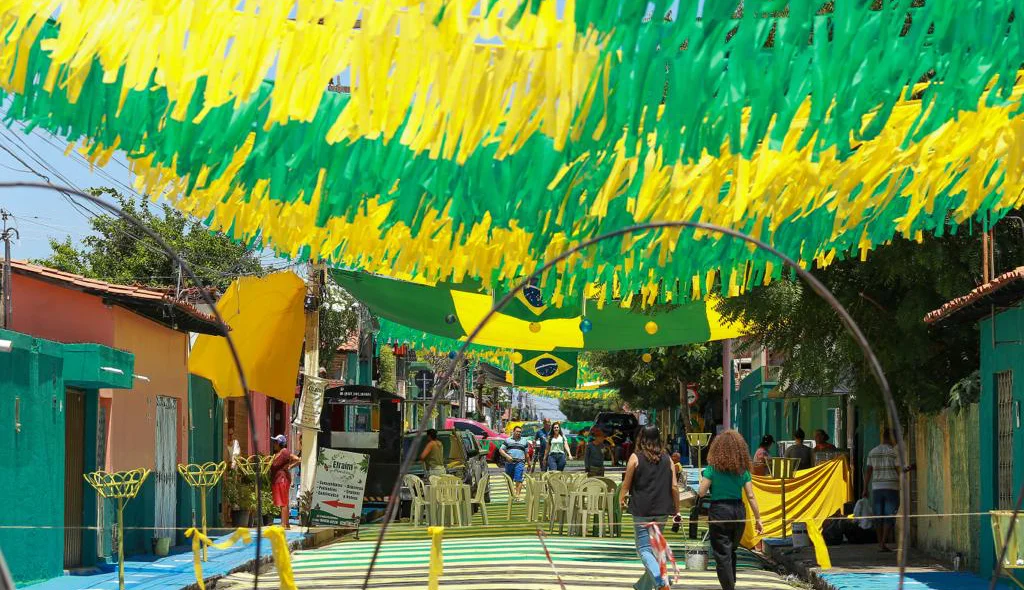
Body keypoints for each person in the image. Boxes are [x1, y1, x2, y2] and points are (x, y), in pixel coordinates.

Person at [698, 430, 764, 590]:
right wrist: (758, 519)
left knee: (722, 554)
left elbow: (701, 492)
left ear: (718, 448)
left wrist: (704, 479)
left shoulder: (713, 468)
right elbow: (751, 496)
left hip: (719, 511)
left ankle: (729, 587)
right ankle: (731, 583)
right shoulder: (743, 471)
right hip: (738, 512)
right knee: (731, 550)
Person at [619, 426, 679, 590]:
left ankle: (661, 582)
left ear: (641, 439)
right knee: (655, 550)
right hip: (662, 511)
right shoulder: (668, 459)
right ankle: (642, 586)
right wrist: (677, 509)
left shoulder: (635, 458)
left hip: (641, 510)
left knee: (645, 549)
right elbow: (674, 486)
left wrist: (621, 499)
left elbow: (626, 483)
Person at [864, 428, 900, 552]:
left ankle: (880, 542)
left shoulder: (872, 452)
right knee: (890, 515)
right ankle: (883, 542)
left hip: (877, 488)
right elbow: (899, 470)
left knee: (878, 516)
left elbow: (868, 472)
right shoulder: (894, 453)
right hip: (892, 487)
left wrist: (865, 488)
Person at [270, 435, 301, 529]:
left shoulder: (284, 452)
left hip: (282, 479)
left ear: (280, 443)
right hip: (278, 479)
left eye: (276, 442)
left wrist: (290, 466)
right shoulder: (278, 453)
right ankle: (285, 523)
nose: (274, 444)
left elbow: (298, 459)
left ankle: (284, 524)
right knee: (283, 502)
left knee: (283, 503)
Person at [500, 425, 530, 497]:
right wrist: (507, 456)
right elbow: (501, 450)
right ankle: (511, 495)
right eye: (517, 431)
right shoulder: (508, 440)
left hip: (520, 462)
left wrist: (529, 463)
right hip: (509, 462)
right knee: (509, 480)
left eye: (520, 432)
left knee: (518, 479)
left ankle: (517, 496)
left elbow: (527, 453)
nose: (518, 433)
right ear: (513, 432)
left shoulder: (524, 441)